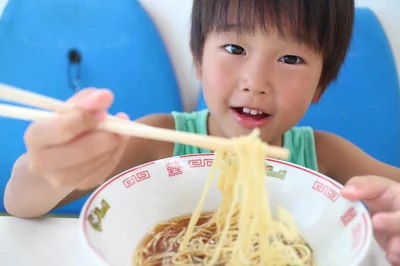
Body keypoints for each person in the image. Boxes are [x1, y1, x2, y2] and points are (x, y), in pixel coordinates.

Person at [4, 0, 400, 264]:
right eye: (234, 48)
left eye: (291, 58)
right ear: (198, 58)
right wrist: (53, 167)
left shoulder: (325, 155)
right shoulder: (156, 138)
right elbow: (22, 205)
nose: (255, 81)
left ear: (320, 86)